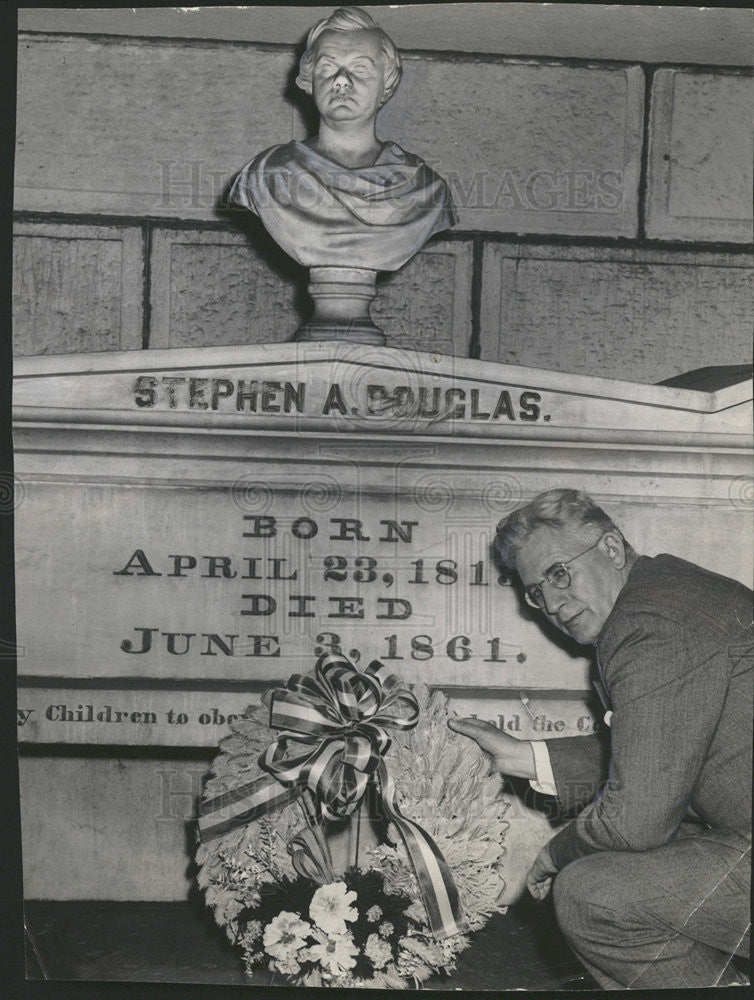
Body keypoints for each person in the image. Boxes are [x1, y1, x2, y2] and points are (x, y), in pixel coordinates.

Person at [449, 488, 752, 989]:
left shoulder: (648, 624)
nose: (552, 602)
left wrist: (550, 854)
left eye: (559, 573)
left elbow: (637, 823)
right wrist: (522, 756)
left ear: (611, 549)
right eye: (536, 592)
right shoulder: (667, 591)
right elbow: (666, 747)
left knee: (592, 895)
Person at [227, 7, 456, 270]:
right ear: (310, 80)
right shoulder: (268, 174)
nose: (342, 81)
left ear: (387, 84)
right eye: (328, 67)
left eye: (360, 68)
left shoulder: (425, 189)